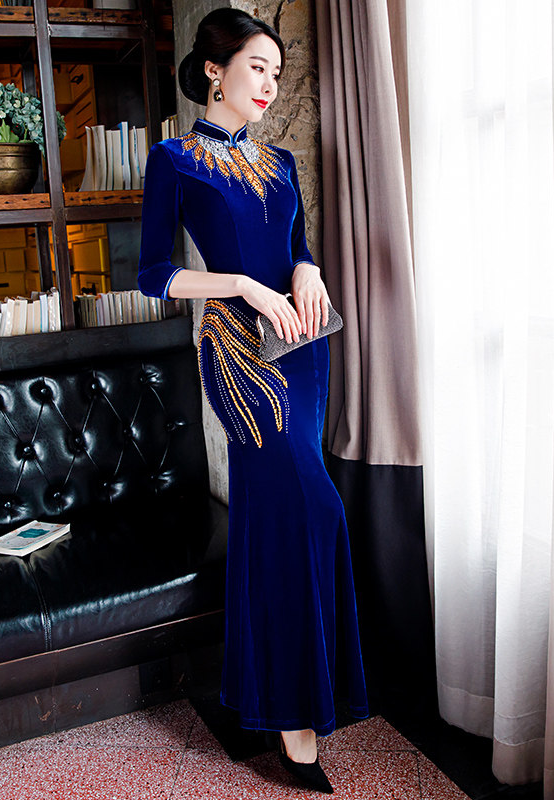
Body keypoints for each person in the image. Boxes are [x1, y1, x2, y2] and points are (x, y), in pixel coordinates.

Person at [137, 8, 369, 794]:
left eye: (276, 71)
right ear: (214, 69)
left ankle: (282, 699)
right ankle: (296, 715)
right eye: (256, 67)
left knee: (283, 518)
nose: (269, 83)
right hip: (237, 355)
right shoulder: (174, 159)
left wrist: (307, 270)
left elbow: (296, 248)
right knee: (314, 508)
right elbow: (154, 275)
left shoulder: (281, 162)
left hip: (302, 345)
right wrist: (239, 283)